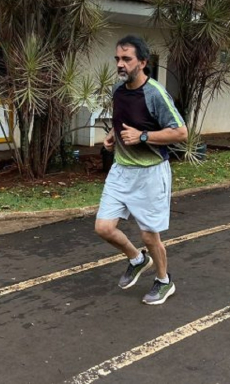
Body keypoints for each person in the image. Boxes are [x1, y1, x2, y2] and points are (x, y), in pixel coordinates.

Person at [94, 35, 187, 305]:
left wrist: (144, 137)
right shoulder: (118, 91)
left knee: (149, 234)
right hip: (121, 170)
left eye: (127, 59)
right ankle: (137, 259)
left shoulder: (155, 93)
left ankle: (163, 281)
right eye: (118, 59)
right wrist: (113, 136)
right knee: (103, 228)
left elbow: (181, 132)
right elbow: (123, 121)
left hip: (151, 174)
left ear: (143, 62)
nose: (120, 65)